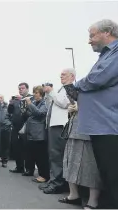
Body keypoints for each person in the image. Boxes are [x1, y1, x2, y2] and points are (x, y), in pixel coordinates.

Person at [74, 19, 118, 209]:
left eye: (92, 35)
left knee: (113, 171)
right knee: (107, 172)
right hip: (100, 124)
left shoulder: (115, 53)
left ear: (107, 32)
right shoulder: (105, 56)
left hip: (109, 124)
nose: (89, 40)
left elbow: (98, 78)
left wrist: (75, 86)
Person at [59, 101, 102, 209]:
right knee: (70, 163)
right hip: (74, 129)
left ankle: (93, 200)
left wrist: (82, 107)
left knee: (90, 165)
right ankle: (74, 195)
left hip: (89, 131)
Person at [40, 68, 74, 194]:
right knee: (54, 154)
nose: (61, 76)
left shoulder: (70, 88)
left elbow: (64, 103)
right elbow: (51, 106)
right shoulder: (62, 89)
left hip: (60, 125)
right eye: (61, 75)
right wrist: (49, 95)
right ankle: (54, 180)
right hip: (54, 125)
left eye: (64, 75)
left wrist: (52, 92)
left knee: (57, 155)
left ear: (72, 76)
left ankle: (58, 183)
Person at [24, 86, 50, 183]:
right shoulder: (35, 103)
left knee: (41, 157)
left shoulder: (44, 103)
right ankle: (39, 173)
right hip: (32, 134)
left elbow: (39, 114)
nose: (34, 94)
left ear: (41, 94)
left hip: (39, 134)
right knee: (34, 155)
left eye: (36, 92)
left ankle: (44, 175)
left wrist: (30, 104)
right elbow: (29, 114)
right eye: (34, 92)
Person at [8, 82, 32, 173]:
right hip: (15, 126)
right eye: (19, 88)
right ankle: (19, 167)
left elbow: (29, 112)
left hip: (26, 126)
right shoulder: (16, 100)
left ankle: (29, 169)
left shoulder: (31, 98)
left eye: (22, 88)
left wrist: (23, 100)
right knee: (16, 147)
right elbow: (10, 112)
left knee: (26, 148)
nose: (20, 90)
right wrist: (11, 103)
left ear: (27, 89)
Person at [0, 94, 12, 168]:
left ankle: (4, 161)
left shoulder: (8, 107)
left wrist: (9, 124)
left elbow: (11, 116)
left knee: (5, 145)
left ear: (3, 99)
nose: (0, 99)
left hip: (6, 128)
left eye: (1, 98)